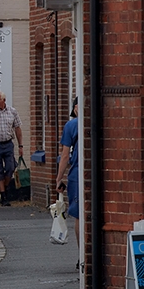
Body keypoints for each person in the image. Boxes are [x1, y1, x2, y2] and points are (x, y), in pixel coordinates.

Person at [55, 98, 80, 243]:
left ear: (76, 107)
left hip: (77, 174)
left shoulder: (71, 125)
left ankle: (82, 256)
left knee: (79, 216)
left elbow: (65, 156)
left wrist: (59, 178)